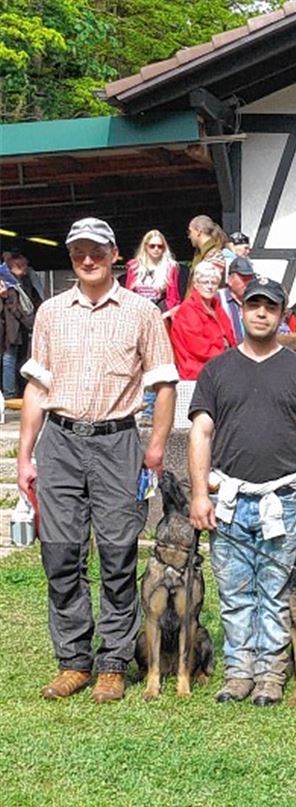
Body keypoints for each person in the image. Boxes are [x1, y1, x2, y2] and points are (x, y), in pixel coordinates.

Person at [18, 217, 177, 703]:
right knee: (60, 554)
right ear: (71, 258)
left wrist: (155, 448)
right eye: (78, 253)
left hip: (117, 443)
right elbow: (36, 388)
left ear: (114, 256)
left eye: (96, 252)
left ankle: (112, 663)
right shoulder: (50, 312)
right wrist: (25, 455)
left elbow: (164, 384)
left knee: (117, 554)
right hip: (60, 442)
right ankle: (73, 661)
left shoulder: (142, 312)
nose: (87, 260)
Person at [188, 276, 296, 706]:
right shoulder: (217, 370)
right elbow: (201, 433)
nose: (261, 313)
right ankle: (238, 673)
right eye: (254, 305)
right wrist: (199, 494)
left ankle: (271, 674)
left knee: (277, 594)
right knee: (235, 595)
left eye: (270, 307)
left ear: (282, 314)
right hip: (229, 502)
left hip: (281, 502)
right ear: (242, 310)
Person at [170, 263, 237, 381]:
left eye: (214, 283)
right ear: (196, 284)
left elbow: (231, 338)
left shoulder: (216, 306)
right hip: (197, 369)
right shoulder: (188, 310)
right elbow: (200, 350)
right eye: (205, 282)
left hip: (219, 363)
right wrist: (229, 359)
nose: (210, 287)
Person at [0, 251, 41, 399]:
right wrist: (29, 321)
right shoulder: (7, 283)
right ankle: (9, 393)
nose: (26, 270)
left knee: (14, 358)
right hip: (9, 328)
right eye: (23, 266)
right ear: (15, 264)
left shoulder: (16, 282)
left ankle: (14, 390)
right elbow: (14, 306)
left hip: (16, 327)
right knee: (9, 358)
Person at [125, 231, 181, 313]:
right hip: (137, 310)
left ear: (164, 248)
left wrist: (166, 315)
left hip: (160, 311)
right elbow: (128, 293)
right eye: (152, 246)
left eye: (160, 246)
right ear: (145, 246)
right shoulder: (134, 267)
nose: (156, 249)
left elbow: (173, 297)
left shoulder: (170, 267)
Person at [220, 256, 255, 342]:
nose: (247, 282)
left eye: (250, 278)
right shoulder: (218, 299)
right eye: (244, 278)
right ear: (230, 280)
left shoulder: (255, 300)